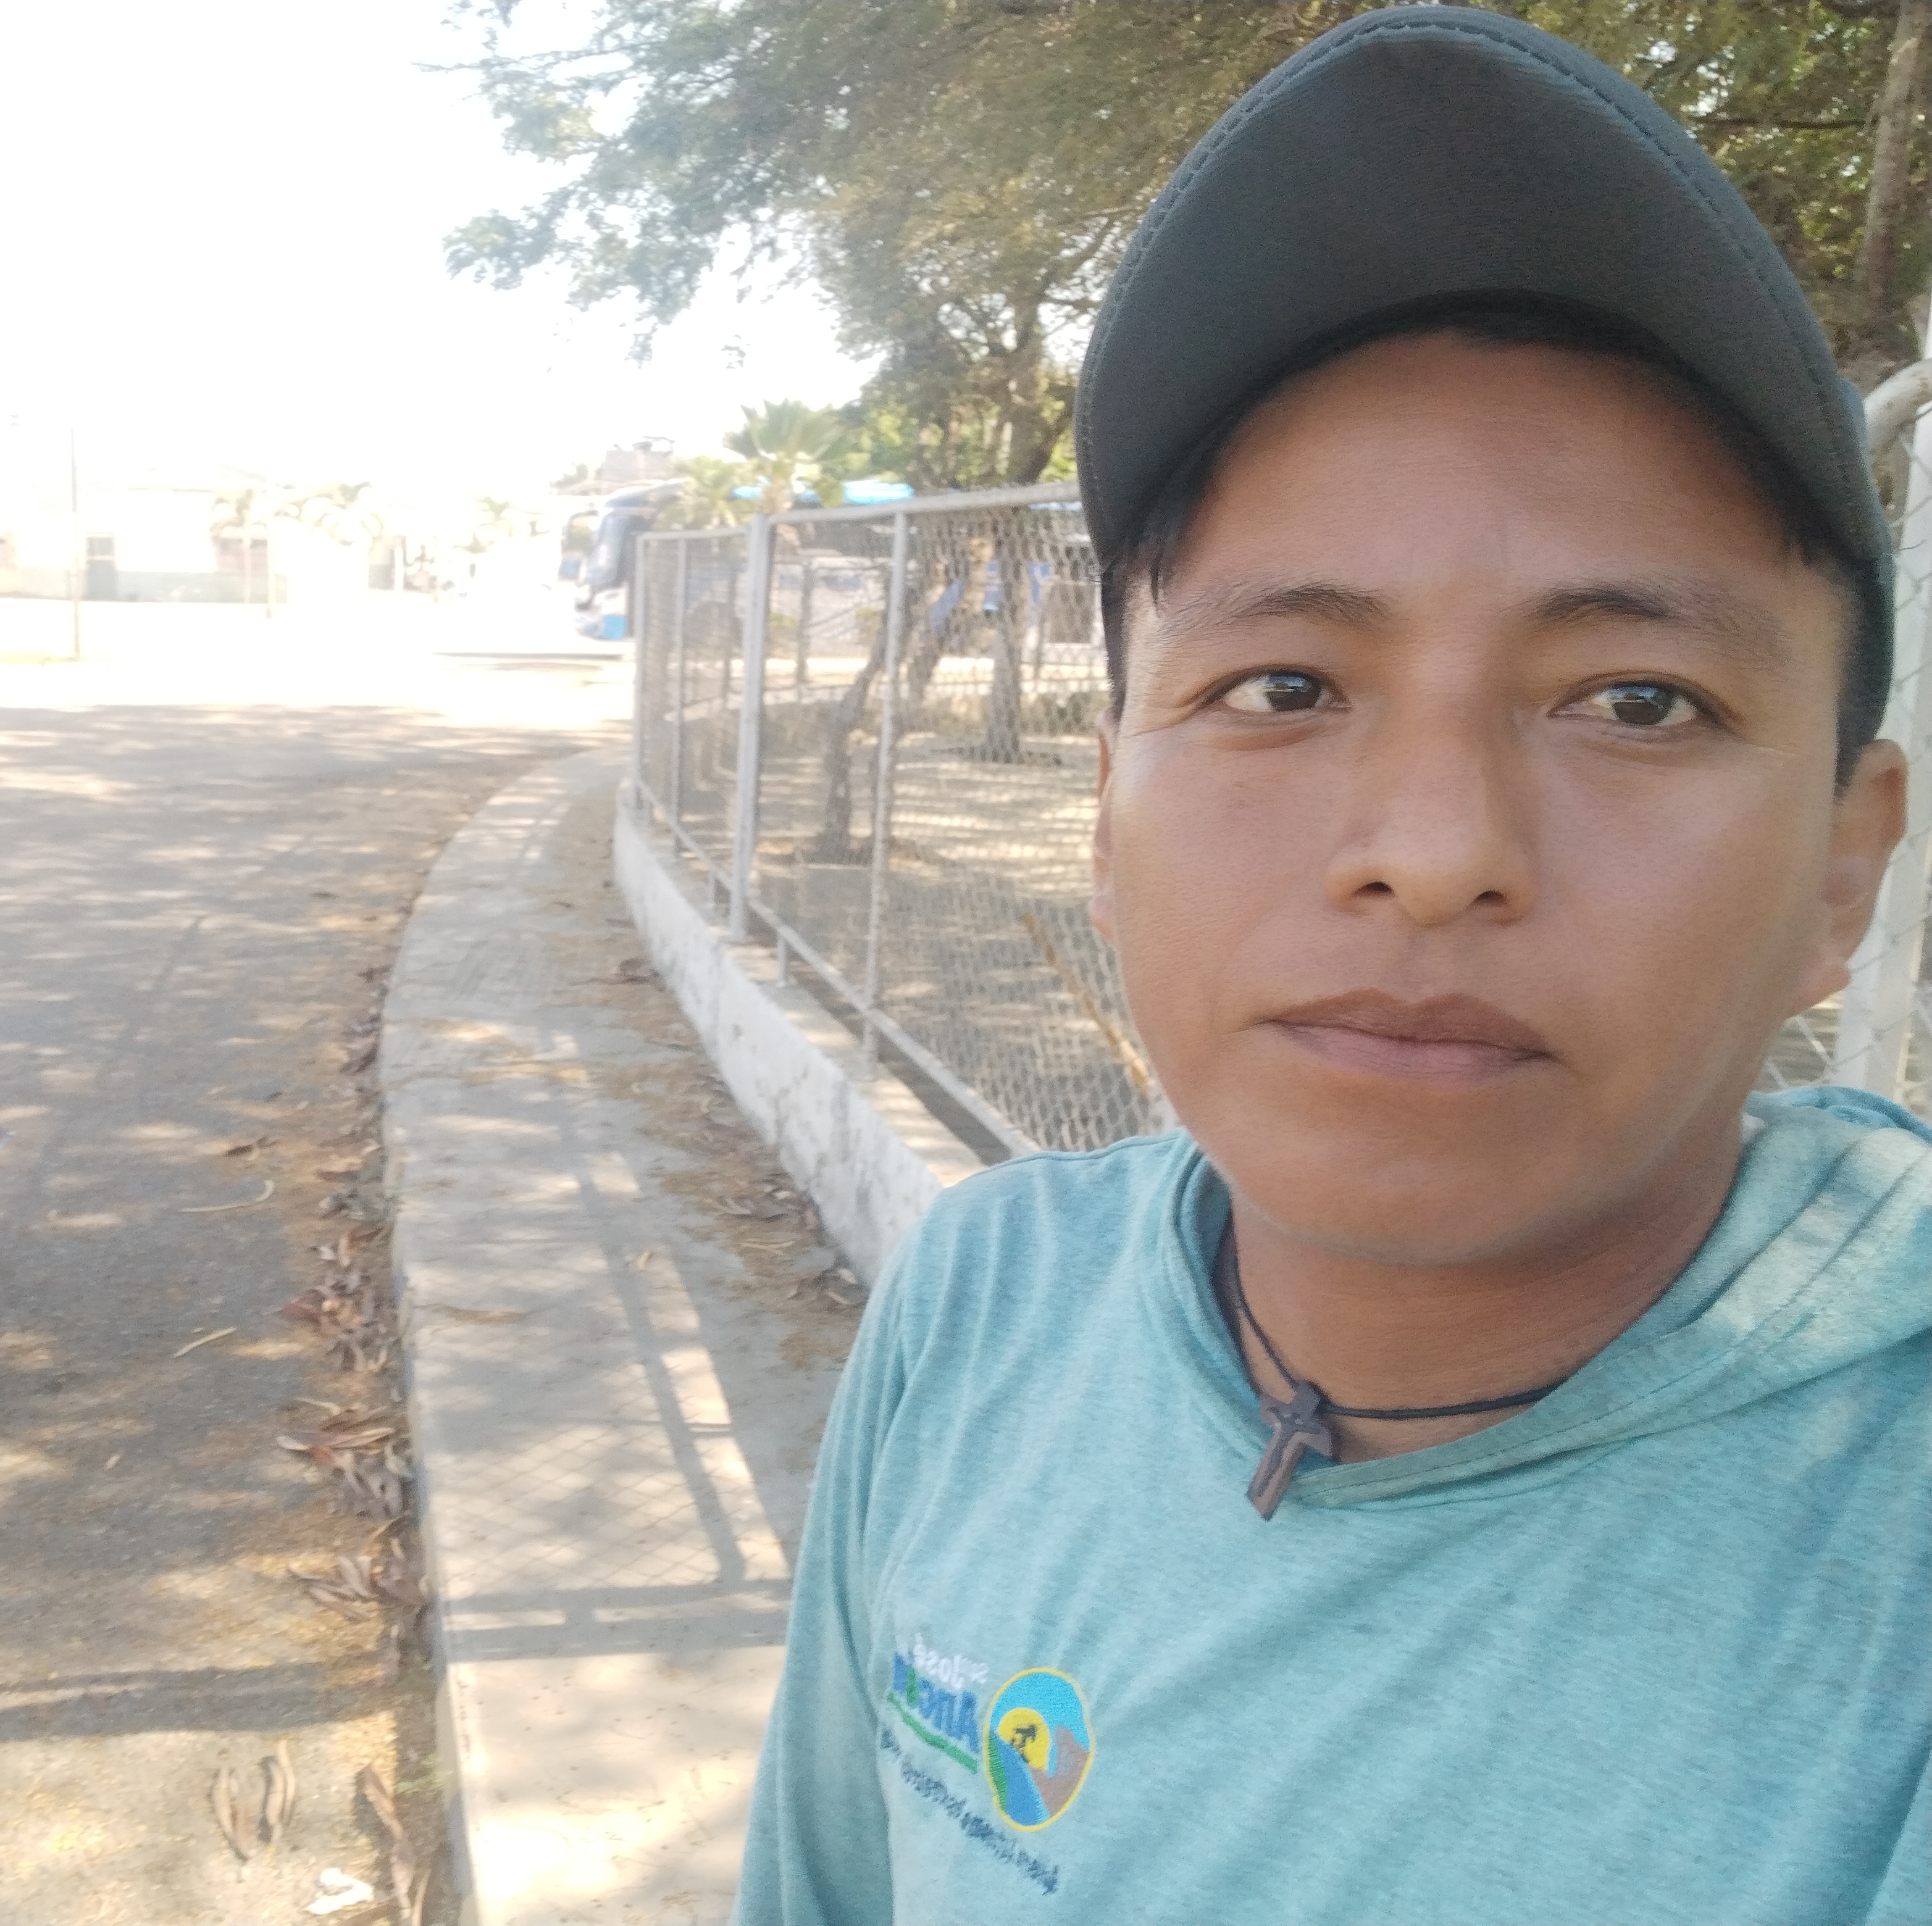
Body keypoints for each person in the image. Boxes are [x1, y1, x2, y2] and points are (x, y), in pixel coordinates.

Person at [732, 12, 1928, 1925]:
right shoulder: (981, 1305)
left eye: (1638, 700)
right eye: (1281, 686)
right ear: (1108, 815)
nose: (1435, 851)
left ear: (1841, 873)